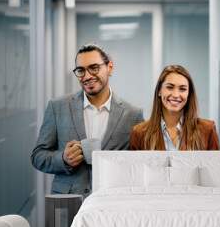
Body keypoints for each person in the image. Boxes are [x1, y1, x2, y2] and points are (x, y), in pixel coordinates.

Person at [31, 44, 143, 195]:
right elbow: (38, 156)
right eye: (81, 70)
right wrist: (63, 159)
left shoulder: (132, 115)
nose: (87, 76)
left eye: (94, 68)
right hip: (68, 202)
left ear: (109, 67)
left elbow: (140, 164)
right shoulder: (57, 107)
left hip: (113, 202)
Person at [130, 65, 220, 150]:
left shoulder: (208, 130)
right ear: (159, 91)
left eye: (182, 89)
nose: (176, 95)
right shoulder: (139, 133)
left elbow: (216, 165)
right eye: (170, 87)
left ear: (189, 94)